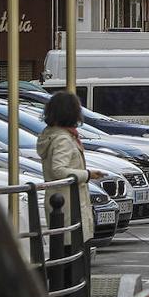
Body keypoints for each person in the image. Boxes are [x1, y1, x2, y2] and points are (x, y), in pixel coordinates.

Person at [37, 91, 103, 247]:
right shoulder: (63, 139)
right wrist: (87, 174)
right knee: (71, 253)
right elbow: (58, 170)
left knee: (64, 250)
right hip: (68, 204)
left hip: (61, 203)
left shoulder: (53, 134)